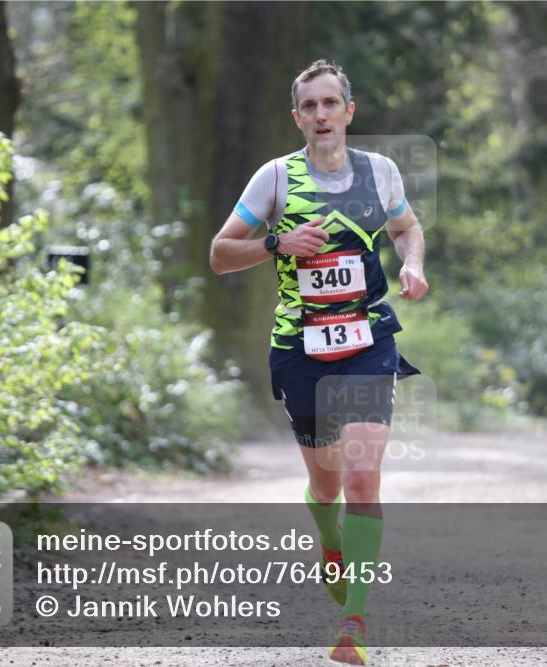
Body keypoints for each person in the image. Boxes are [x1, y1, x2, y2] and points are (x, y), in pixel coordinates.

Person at [209, 59, 428, 665]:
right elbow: (220, 254)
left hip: (367, 341)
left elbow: (407, 227)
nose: (321, 114)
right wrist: (276, 242)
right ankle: (329, 538)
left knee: (361, 477)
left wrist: (413, 264)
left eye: (331, 103)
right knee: (327, 484)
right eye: (310, 106)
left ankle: (353, 622)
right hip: (301, 349)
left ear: (348, 112)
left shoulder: (379, 172)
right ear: (297, 118)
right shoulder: (275, 178)